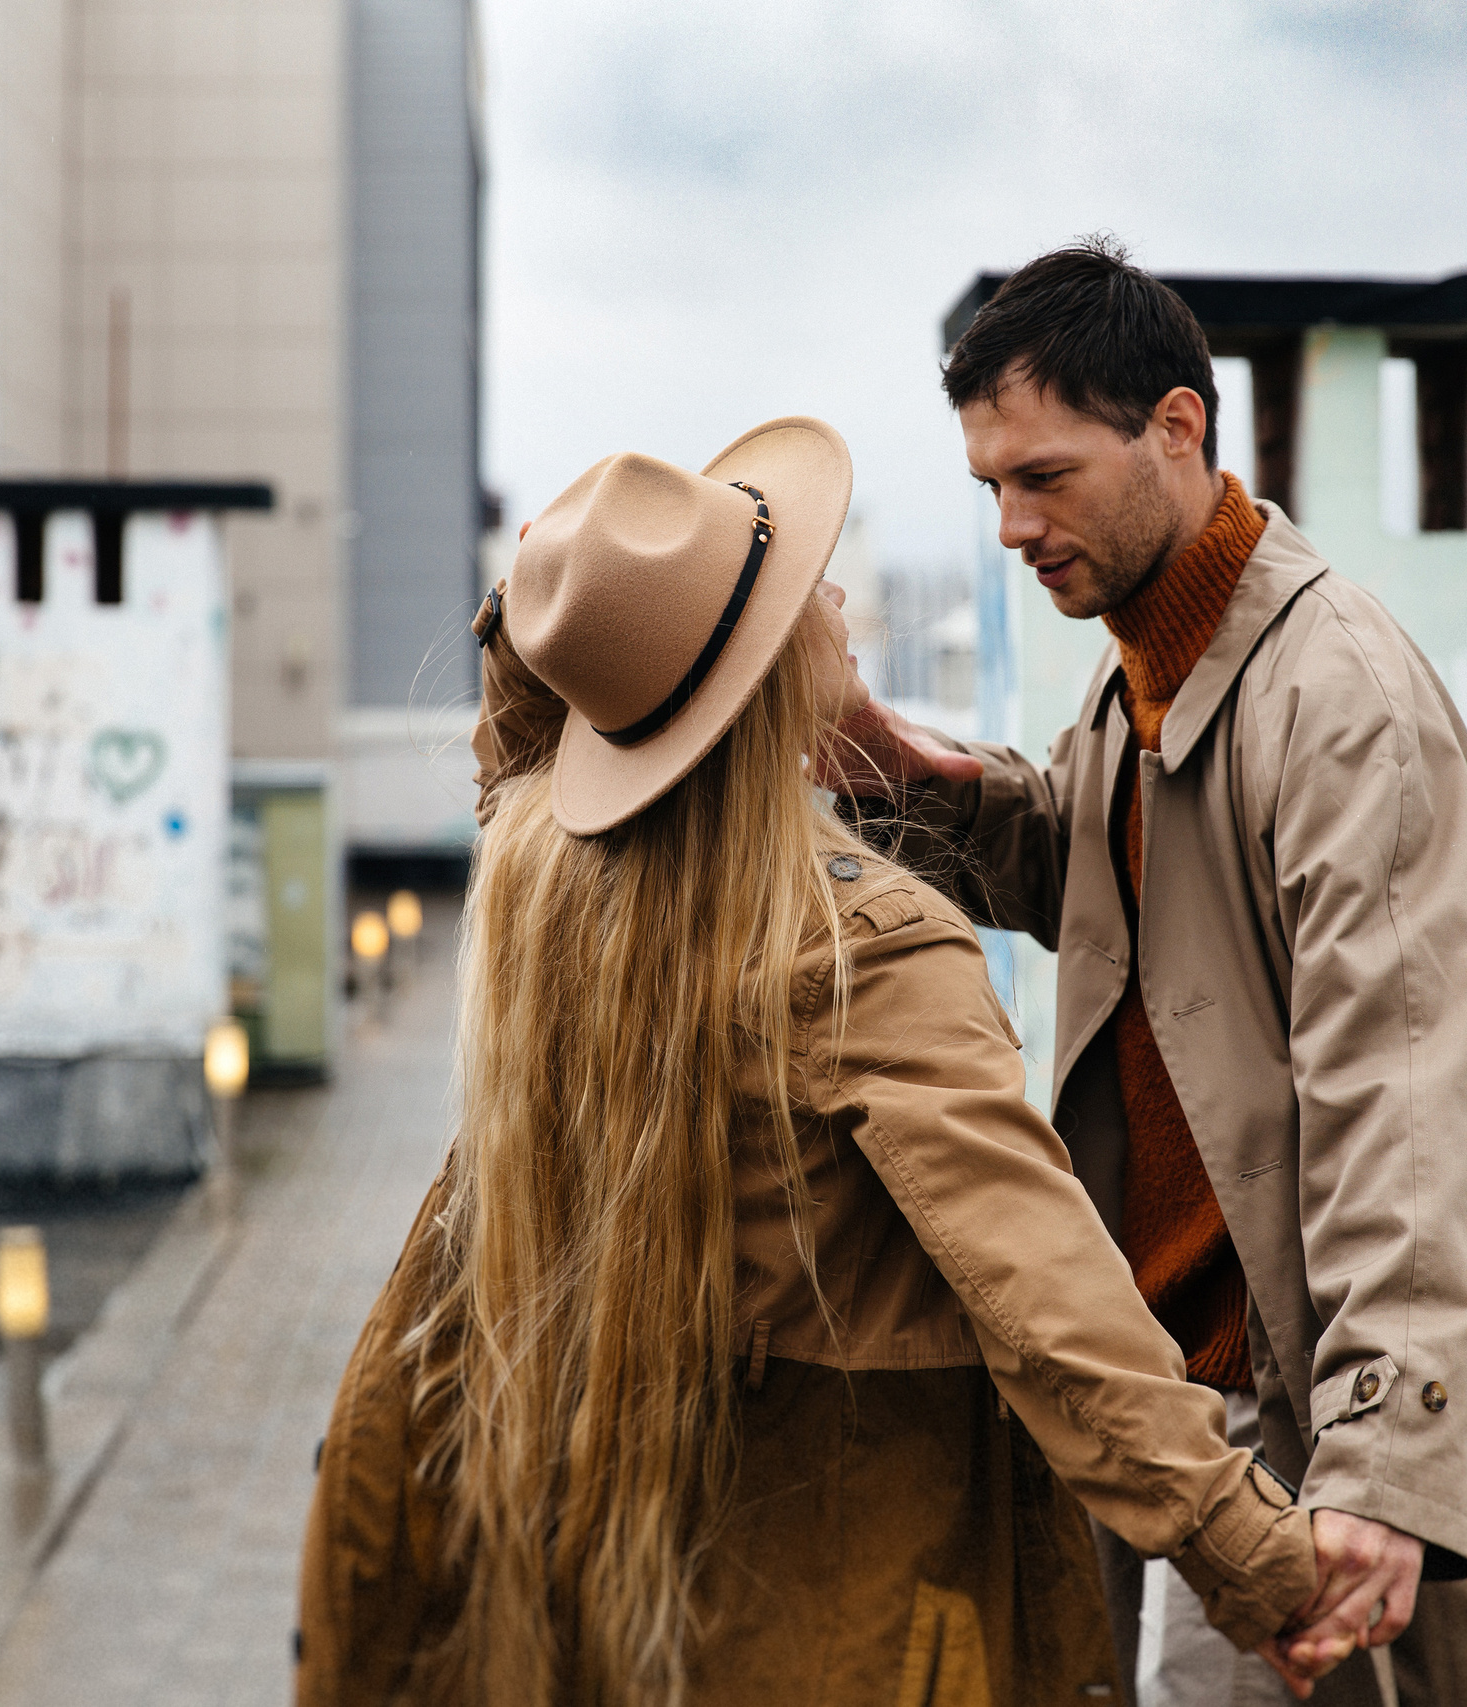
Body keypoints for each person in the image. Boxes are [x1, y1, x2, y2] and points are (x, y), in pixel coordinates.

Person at [830, 241, 1467, 1707]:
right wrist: (893, 769)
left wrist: (1382, 1463)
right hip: (1208, 1411)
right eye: (991, 485)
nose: (1009, 524)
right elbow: (1092, 860)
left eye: (1044, 477)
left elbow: (1407, 1104)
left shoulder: (1336, 703)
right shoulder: (1156, 669)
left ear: (1176, 431)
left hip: (1306, 1423)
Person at [293, 417, 1319, 1707]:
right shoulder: (860, 953)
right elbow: (1048, 1297)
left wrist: (564, 621)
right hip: (869, 1591)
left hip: (645, 1575)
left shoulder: (559, 911)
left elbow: (526, 749)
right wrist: (1250, 1554)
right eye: (797, 581)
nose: (834, 588)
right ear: (763, 666)